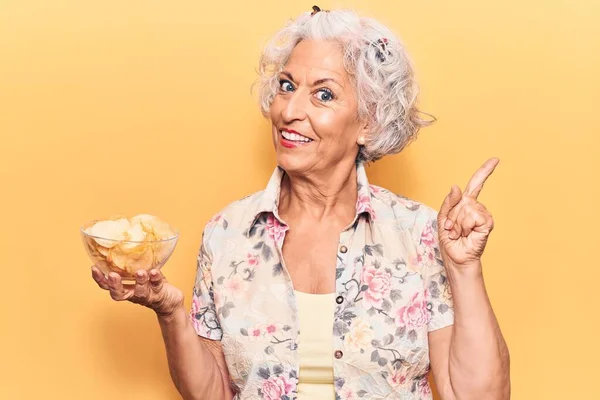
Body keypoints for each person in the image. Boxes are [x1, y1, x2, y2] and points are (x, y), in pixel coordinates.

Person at [91, 6, 510, 400]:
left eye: (323, 95)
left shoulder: (418, 233)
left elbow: (478, 396)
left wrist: (464, 267)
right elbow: (213, 391)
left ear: (369, 121)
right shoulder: (227, 232)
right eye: (287, 86)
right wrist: (169, 312)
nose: (290, 110)